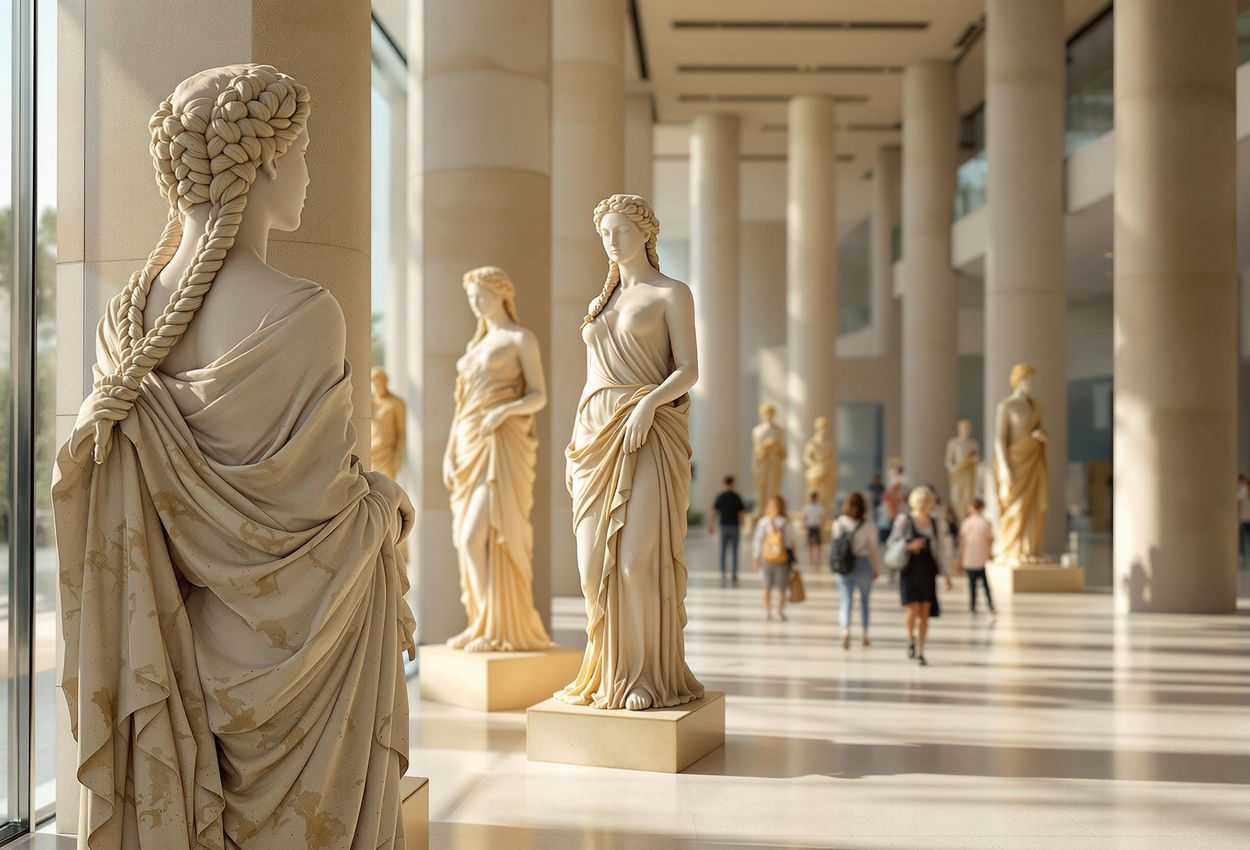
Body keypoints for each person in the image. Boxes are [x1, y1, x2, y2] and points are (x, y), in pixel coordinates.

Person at [54, 66, 416, 846]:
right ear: (268, 162)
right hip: (301, 678)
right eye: (307, 154)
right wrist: (385, 502)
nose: (312, 175)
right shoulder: (306, 315)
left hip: (178, 663)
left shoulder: (124, 327)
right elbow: (322, 532)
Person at [558, 193, 705, 712]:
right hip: (593, 438)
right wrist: (576, 442)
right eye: (604, 234)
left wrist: (648, 405)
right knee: (590, 565)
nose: (611, 241)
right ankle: (603, 670)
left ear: (646, 232)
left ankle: (644, 674)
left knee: (636, 563)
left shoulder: (671, 293)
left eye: (620, 231)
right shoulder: (602, 303)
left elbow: (688, 368)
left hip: (647, 435)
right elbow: (592, 378)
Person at [887, 485, 952, 666]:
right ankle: (910, 639)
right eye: (920, 503)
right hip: (910, 568)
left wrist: (946, 574)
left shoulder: (935, 521)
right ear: (914, 503)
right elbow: (892, 541)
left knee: (925, 611)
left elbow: (940, 549)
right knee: (912, 609)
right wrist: (909, 546)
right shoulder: (904, 519)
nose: (924, 506)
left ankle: (921, 651)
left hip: (928, 568)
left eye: (927, 503)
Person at [832, 492, 880, 649]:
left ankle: (845, 630)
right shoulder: (868, 525)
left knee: (846, 600)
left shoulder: (838, 523)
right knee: (865, 601)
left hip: (844, 565)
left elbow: (836, 546)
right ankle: (865, 633)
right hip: (863, 563)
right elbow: (872, 548)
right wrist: (875, 568)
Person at [753, 495, 798, 621]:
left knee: (766, 586)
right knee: (781, 587)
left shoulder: (763, 522)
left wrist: (756, 557)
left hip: (767, 558)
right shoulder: (786, 522)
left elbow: (758, 540)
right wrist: (794, 557)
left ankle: (767, 611)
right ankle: (780, 611)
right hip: (782, 558)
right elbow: (791, 541)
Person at [960, 498, 995, 614]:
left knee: (972, 585)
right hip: (980, 558)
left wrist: (961, 558)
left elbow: (962, 542)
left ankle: (973, 606)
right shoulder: (985, 523)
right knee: (984, 584)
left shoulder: (967, 523)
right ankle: (989, 605)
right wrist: (989, 553)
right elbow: (990, 540)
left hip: (970, 558)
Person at [710, 475, 747, 585]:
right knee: (735, 551)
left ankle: (723, 572)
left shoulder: (720, 496)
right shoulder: (737, 496)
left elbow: (714, 511)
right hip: (734, 526)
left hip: (723, 527)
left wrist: (711, 525)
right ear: (733, 483)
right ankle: (734, 573)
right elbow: (741, 512)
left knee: (723, 551)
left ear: (724, 483)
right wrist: (742, 523)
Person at [803, 491, 827, 566]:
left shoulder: (819, 506)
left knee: (818, 544)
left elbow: (823, 516)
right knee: (810, 544)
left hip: (817, 526)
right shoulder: (807, 507)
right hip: (810, 526)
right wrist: (803, 524)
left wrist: (823, 524)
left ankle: (818, 559)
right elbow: (805, 517)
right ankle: (811, 559)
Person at [1239, 475, 1250, 563]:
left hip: (1245, 518)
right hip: (1244, 518)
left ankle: (1245, 557)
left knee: (1244, 538)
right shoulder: (1243, 491)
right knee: (1243, 539)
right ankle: (1244, 557)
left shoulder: (1243, 490)